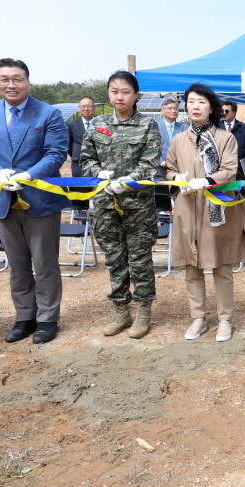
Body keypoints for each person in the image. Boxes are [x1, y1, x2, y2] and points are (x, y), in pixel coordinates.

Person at [0, 58, 69, 344]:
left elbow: (56, 153)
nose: (10, 85)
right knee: (17, 264)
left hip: (39, 199)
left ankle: (47, 319)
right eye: (4, 79)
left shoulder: (48, 113)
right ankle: (24, 316)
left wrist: (28, 175)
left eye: (17, 79)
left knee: (45, 263)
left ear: (28, 81)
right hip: (3, 199)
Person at [166, 83, 245, 342]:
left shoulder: (225, 138)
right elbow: (168, 169)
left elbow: (230, 169)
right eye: (190, 102)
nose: (195, 106)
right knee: (192, 267)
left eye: (201, 101)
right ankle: (198, 318)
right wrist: (175, 177)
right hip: (187, 210)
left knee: (221, 266)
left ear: (211, 107)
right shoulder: (179, 139)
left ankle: (225, 319)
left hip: (217, 209)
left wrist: (209, 180)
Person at [80, 71, 162, 339]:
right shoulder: (98, 123)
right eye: (114, 91)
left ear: (135, 95)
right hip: (105, 203)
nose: (119, 96)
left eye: (125, 91)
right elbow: (86, 158)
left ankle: (143, 311)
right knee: (114, 259)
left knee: (139, 259)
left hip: (137, 205)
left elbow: (150, 162)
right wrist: (97, 172)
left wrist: (131, 179)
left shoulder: (147, 124)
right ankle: (120, 311)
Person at [220, 100, 245, 180]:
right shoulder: (216, 127)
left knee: (240, 190)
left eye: (226, 111)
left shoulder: (244, 128)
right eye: (222, 111)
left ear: (234, 112)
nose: (224, 113)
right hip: (221, 168)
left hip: (240, 168)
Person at [156, 98, 188, 179]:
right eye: (170, 108)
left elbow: (187, 148)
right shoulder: (155, 127)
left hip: (179, 171)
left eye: (176, 108)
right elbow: (151, 148)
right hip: (159, 171)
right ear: (162, 111)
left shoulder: (185, 128)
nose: (173, 111)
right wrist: (162, 162)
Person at [67, 97, 98, 177]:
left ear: (94, 108)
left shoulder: (101, 123)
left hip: (98, 163)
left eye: (89, 106)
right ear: (79, 108)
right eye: (83, 106)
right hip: (78, 163)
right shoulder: (71, 124)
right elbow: (69, 145)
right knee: (79, 187)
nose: (86, 109)